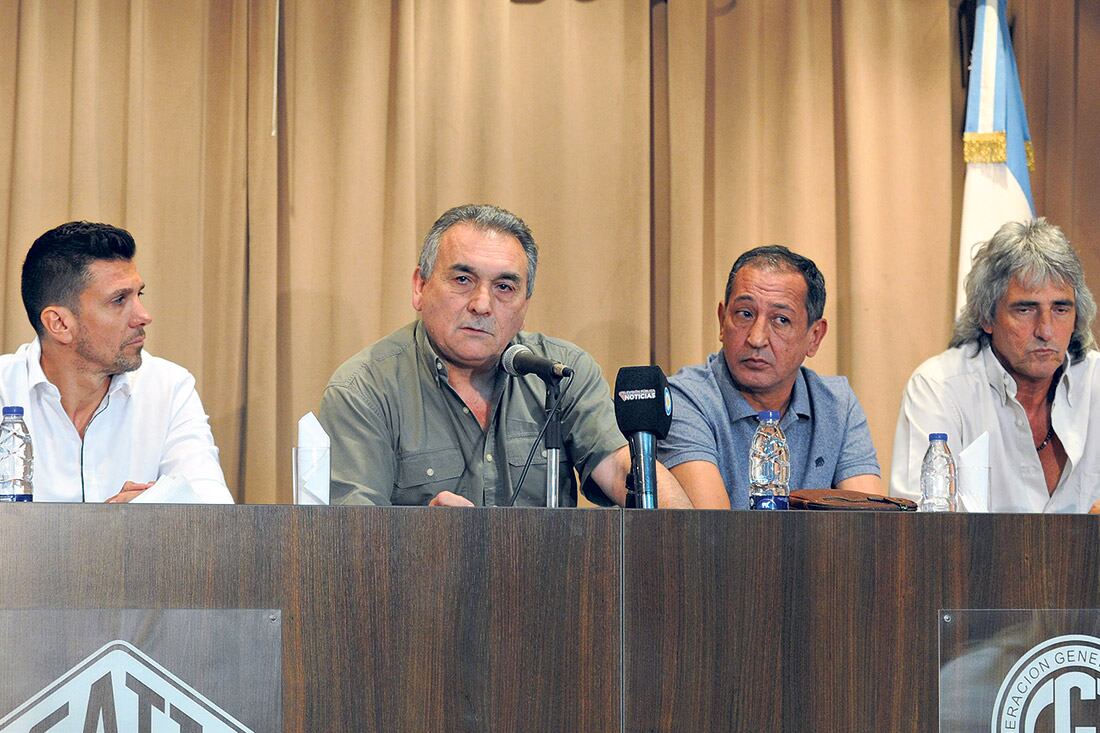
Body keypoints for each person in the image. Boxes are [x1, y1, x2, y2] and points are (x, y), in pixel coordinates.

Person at [320, 203, 693, 508]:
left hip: (548, 578)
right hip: (420, 580)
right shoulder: (364, 388)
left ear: (525, 304)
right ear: (420, 287)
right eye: (462, 280)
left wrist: (680, 533)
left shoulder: (561, 373)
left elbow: (621, 468)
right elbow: (354, 538)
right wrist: (425, 538)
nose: (482, 304)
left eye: (504, 287)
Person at [0, 221, 232, 503]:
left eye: (138, 294)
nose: (143, 316)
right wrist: (115, 522)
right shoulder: (4, 389)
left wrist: (140, 509)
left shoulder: (169, 387)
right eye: (119, 300)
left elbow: (212, 505)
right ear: (59, 323)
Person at [890, 218, 1100, 512]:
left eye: (1061, 309)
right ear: (986, 316)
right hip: (972, 547)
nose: (1046, 330)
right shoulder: (939, 387)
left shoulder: (1094, 380)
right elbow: (924, 522)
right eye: (1025, 309)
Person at [658, 245, 882, 509]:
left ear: (814, 337)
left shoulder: (836, 404)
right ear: (722, 320)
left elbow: (872, 521)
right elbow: (713, 524)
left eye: (781, 320)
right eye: (745, 314)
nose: (756, 338)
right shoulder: (684, 399)